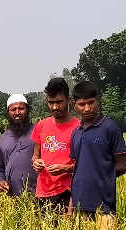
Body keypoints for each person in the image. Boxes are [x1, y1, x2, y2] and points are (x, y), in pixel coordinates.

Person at [69, 81, 126, 230]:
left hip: (104, 207)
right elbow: (77, 169)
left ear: (98, 100)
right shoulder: (76, 133)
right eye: (82, 104)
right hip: (79, 206)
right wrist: (71, 206)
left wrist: (103, 176)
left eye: (91, 102)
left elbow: (123, 166)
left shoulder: (110, 127)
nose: (87, 108)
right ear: (74, 104)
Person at [31, 78, 80, 211]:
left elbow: (86, 164)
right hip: (42, 192)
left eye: (59, 102)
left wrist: (65, 169)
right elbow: (35, 156)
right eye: (51, 102)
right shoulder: (41, 126)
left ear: (68, 100)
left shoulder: (79, 128)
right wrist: (36, 163)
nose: (54, 107)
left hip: (67, 192)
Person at [0, 94, 37, 196]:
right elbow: (0, 166)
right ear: (8, 113)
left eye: (21, 108)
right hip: (12, 197)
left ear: (28, 110)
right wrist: (0, 180)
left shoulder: (38, 132)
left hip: (38, 195)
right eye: (13, 109)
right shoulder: (3, 138)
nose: (17, 112)